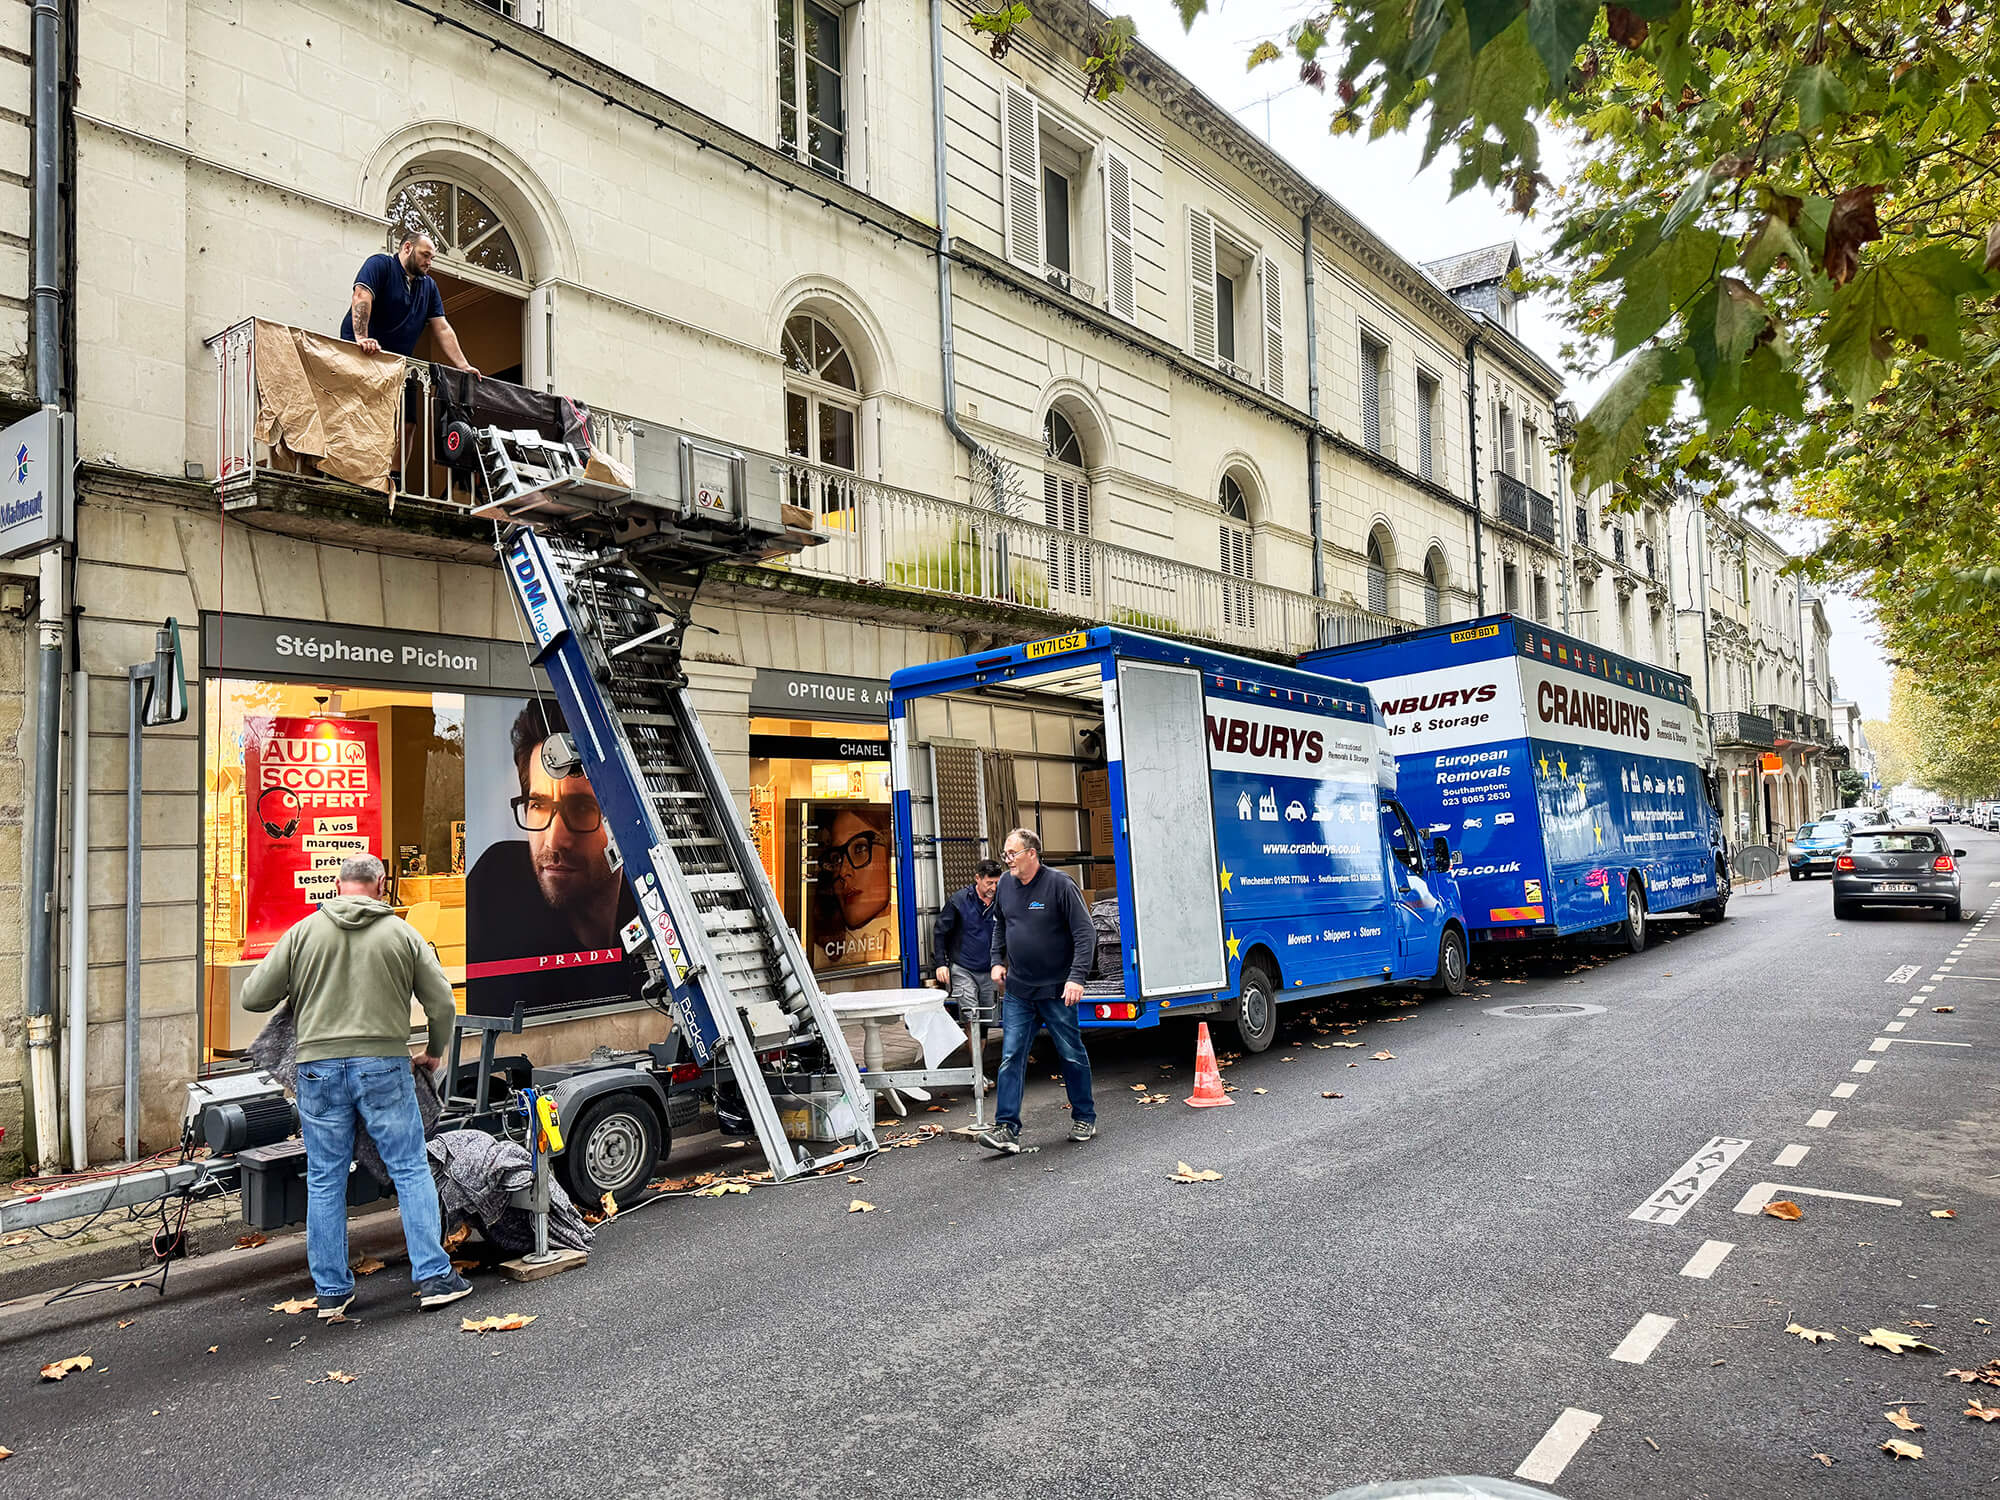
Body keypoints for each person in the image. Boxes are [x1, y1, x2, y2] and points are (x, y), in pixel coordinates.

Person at [241, 853, 471, 1317]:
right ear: (381, 885)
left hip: (316, 1069)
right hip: (383, 1065)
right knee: (409, 1168)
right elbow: (441, 1003)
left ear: (339, 885)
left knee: (326, 1178)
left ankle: (331, 1291)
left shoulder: (304, 932)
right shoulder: (402, 934)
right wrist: (436, 1050)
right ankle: (433, 1277)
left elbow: (252, 996)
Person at [466, 699, 640, 1016]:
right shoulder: (495, 883)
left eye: (583, 809)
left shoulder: (651, 888)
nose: (554, 840)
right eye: (539, 806)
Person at [978, 828, 1097, 1153]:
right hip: (1019, 990)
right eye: (1005, 854)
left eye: (1012, 854)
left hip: (1058, 990)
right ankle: (1006, 1130)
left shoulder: (1060, 885)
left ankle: (1085, 1116)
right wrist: (996, 962)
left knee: (1071, 1053)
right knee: (1011, 1056)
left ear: (1032, 853)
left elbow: (1085, 933)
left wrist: (1077, 978)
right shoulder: (1005, 885)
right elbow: (1001, 924)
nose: (1007, 861)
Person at [339, 232, 479, 370]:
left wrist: (463, 365)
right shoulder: (380, 264)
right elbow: (362, 295)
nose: (429, 263)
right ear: (407, 248)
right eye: (425, 255)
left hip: (394, 368)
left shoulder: (429, 286)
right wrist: (362, 338)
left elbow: (442, 328)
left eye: (432, 258)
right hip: (359, 357)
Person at [810, 805, 897, 971]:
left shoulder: (909, 934)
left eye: (860, 849)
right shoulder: (819, 955)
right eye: (836, 858)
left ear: (889, 854)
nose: (843, 872)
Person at [932, 858, 1003, 1023]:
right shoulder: (959, 900)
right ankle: (974, 1045)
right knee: (971, 1018)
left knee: (988, 1022)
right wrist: (941, 963)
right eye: (989, 883)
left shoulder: (1002, 901)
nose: (993, 888)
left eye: (996, 883)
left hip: (990, 970)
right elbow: (940, 932)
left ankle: (979, 1049)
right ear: (977, 878)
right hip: (963, 968)